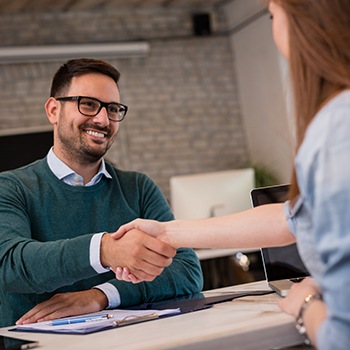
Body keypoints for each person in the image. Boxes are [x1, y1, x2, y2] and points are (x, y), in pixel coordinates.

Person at [113, 1, 350, 349]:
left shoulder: (336, 128)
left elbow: (340, 336)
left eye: (273, 14)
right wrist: (166, 232)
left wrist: (308, 302)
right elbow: (291, 219)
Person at [0, 58, 203, 328]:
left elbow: (187, 270)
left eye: (113, 108)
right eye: (88, 104)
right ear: (53, 110)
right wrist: (105, 250)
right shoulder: (10, 187)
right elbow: (11, 265)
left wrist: (102, 296)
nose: (103, 119)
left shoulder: (138, 188)